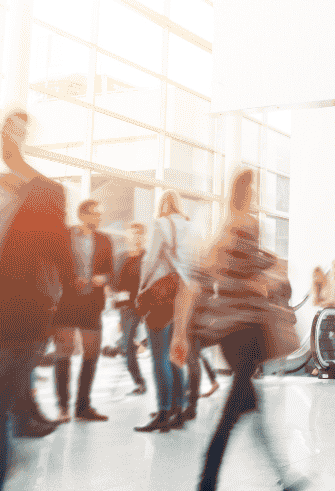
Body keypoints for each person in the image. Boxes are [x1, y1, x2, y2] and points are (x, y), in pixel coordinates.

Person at [170, 168, 306, 491]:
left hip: (230, 337)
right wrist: (271, 274)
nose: (258, 198)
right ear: (247, 193)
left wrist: (180, 333)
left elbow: (194, 284)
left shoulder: (221, 232)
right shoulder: (246, 226)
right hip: (246, 333)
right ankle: (206, 482)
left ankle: (283, 477)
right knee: (233, 412)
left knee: (250, 406)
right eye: (256, 191)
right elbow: (252, 274)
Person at [0, 112, 78, 489]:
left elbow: (63, 255)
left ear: (27, 139)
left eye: (17, 132)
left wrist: (64, 321)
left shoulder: (47, 191)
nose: (8, 138)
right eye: (4, 130)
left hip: (22, 319)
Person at [135, 190, 196, 433]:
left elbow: (151, 260)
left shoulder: (161, 224)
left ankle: (163, 411)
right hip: (183, 295)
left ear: (162, 204)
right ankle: (178, 410)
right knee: (175, 353)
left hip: (161, 294)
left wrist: (141, 287)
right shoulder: (190, 227)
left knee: (159, 356)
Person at [52, 200, 113, 423]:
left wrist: (103, 278)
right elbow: (54, 266)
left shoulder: (105, 240)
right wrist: (70, 280)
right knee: (63, 355)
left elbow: (110, 271)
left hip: (92, 304)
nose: (99, 218)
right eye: (95, 214)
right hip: (66, 303)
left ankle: (83, 406)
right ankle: (63, 408)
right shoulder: (64, 236)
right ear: (82, 214)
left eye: (100, 214)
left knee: (91, 356)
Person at [115, 222, 149, 396]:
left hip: (147, 308)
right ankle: (139, 382)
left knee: (157, 348)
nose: (135, 237)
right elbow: (116, 287)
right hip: (127, 309)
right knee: (126, 347)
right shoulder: (121, 257)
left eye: (138, 234)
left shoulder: (147, 257)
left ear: (143, 237)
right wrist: (119, 313)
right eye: (132, 233)